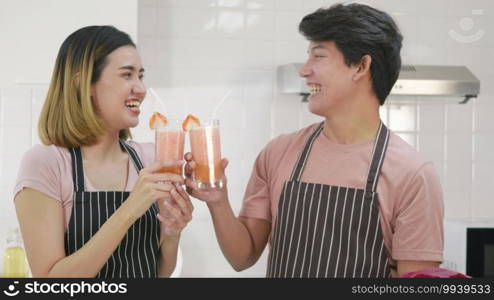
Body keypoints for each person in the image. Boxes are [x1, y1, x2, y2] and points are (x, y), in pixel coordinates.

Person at [185, 3, 444, 278]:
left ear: (361, 66)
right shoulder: (278, 153)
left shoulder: (413, 175)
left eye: (318, 56)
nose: (304, 70)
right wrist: (218, 201)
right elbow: (242, 256)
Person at [14, 25, 193, 278]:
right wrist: (130, 209)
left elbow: (159, 274)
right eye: (127, 75)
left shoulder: (149, 158)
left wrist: (172, 234)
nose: (140, 88)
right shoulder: (46, 164)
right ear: (83, 83)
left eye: (140, 75)